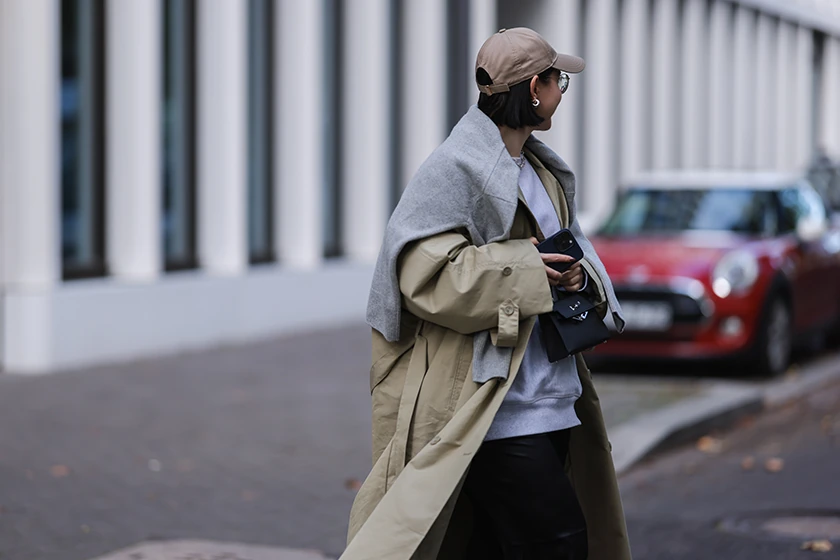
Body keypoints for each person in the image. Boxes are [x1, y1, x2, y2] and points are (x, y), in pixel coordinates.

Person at [342, 28, 631, 560]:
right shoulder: (455, 167)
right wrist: (528, 270)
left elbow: (572, 251)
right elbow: (422, 274)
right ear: (534, 89)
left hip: (553, 399)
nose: (562, 92)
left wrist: (573, 276)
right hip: (493, 406)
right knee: (560, 542)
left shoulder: (540, 171)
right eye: (558, 80)